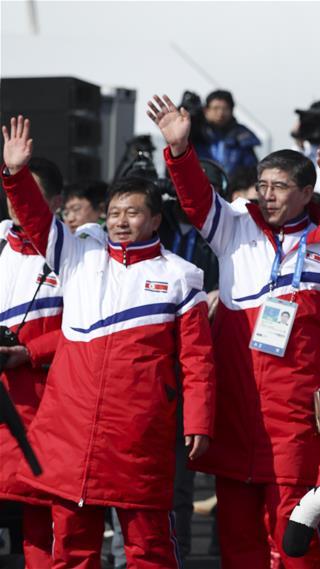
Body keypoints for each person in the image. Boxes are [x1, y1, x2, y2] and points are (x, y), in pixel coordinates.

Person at [148, 94, 320, 569]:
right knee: (238, 541)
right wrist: (180, 151)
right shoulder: (235, 226)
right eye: (262, 184)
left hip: (297, 422)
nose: (267, 194)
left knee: (295, 540)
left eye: (280, 186)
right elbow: (196, 199)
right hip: (236, 413)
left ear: (307, 192)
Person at [2, 115, 216, 568]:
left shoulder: (180, 277)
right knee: (72, 551)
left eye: (133, 212)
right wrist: (16, 176)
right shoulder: (79, 255)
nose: (121, 221)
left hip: (139, 435)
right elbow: (38, 221)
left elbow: (198, 360)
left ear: (155, 219)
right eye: (115, 213)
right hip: (71, 431)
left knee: (149, 550)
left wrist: (198, 421)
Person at [0, 156, 66, 569]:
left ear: (56, 201)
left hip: (44, 411)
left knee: (42, 524)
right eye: (14, 192)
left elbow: (90, 334)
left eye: (33, 194)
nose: (20, 203)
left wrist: (28, 352)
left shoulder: (80, 253)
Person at [195, 90, 261, 176]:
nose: (220, 113)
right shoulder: (195, 133)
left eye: (225, 108)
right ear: (206, 110)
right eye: (215, 108)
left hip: (232, 186)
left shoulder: (242, 136)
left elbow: (251, 168)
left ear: (232, 110)